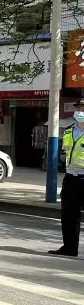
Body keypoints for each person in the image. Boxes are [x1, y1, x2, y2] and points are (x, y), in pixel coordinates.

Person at [50, 100, 84, 257]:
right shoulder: (69, 131)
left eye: (83, 108)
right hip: (71, 178)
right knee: (69, 215)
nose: (80, 111)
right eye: (78, 108)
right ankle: (70, 248)